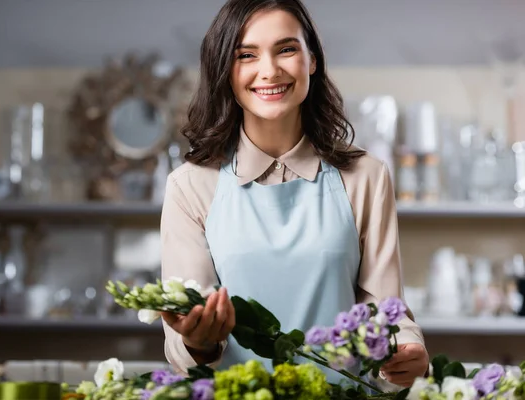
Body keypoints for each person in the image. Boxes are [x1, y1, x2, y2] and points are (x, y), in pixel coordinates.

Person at [159, 0, 429, 388]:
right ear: (225, 71)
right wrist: (196, 340)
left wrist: (406, 346)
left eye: (286, 49)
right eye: (245, 55)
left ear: (312, 60)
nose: (269, 70)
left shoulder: (366, 177)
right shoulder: (189, 185)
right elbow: (186, 341)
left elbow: (384, 310)